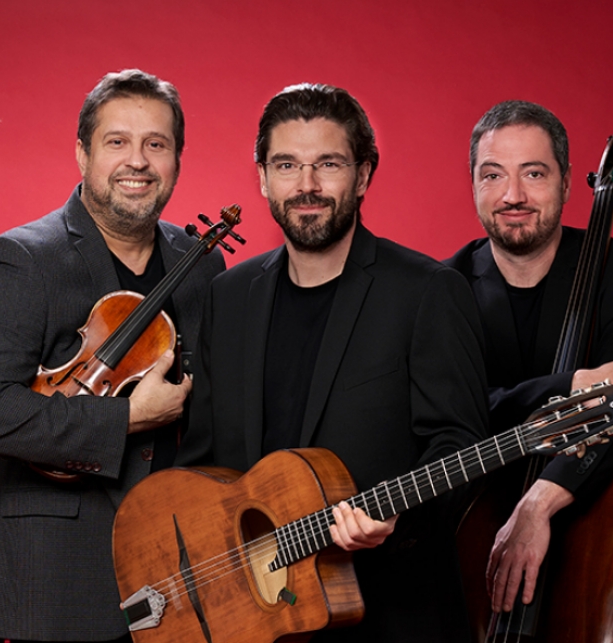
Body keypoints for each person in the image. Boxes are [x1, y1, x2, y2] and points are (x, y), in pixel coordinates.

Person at [176, 83, 489, 642]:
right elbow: (203, 465)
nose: (307, 186)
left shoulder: (427, 291)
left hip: (388, 616)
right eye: (287, 165)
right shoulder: (229, 296)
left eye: (328, 164)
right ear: (263, 177)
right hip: (259, 618)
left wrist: (399, 519)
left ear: (363, 175)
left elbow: (461, 444)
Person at [0, 69, 224, 643]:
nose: (138, 161)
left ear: (177, 159)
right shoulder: (27, 257)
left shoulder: (200, 262)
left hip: (184, 569)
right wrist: (126, 418)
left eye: (156, 144)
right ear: (83, 154)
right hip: (61, 580)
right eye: (117, 141)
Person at [446, 100, 613, 615]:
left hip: (598, 513)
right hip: (472, 524)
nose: (512, 195)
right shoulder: (442, 288)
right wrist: (574, 385)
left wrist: (537, 504)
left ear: (565, 184)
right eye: (492, 175)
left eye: (534, 173)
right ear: (473, 185)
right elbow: (458, 419)